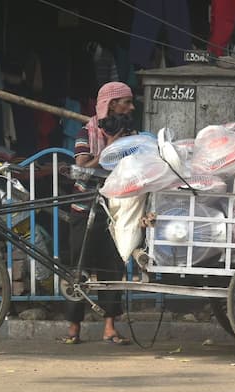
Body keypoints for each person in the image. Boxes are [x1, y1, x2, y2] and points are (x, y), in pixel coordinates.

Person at [62, 82, 136, 345]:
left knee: (113, 267)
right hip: (84, 208)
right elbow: (82, 170)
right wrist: (110, 147)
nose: (131, 107)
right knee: (78, 268)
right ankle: (73, 328)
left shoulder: (131, 133)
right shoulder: (86, 132)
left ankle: (109, 328)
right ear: (111, 104)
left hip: (115, 209)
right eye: (126, 102)